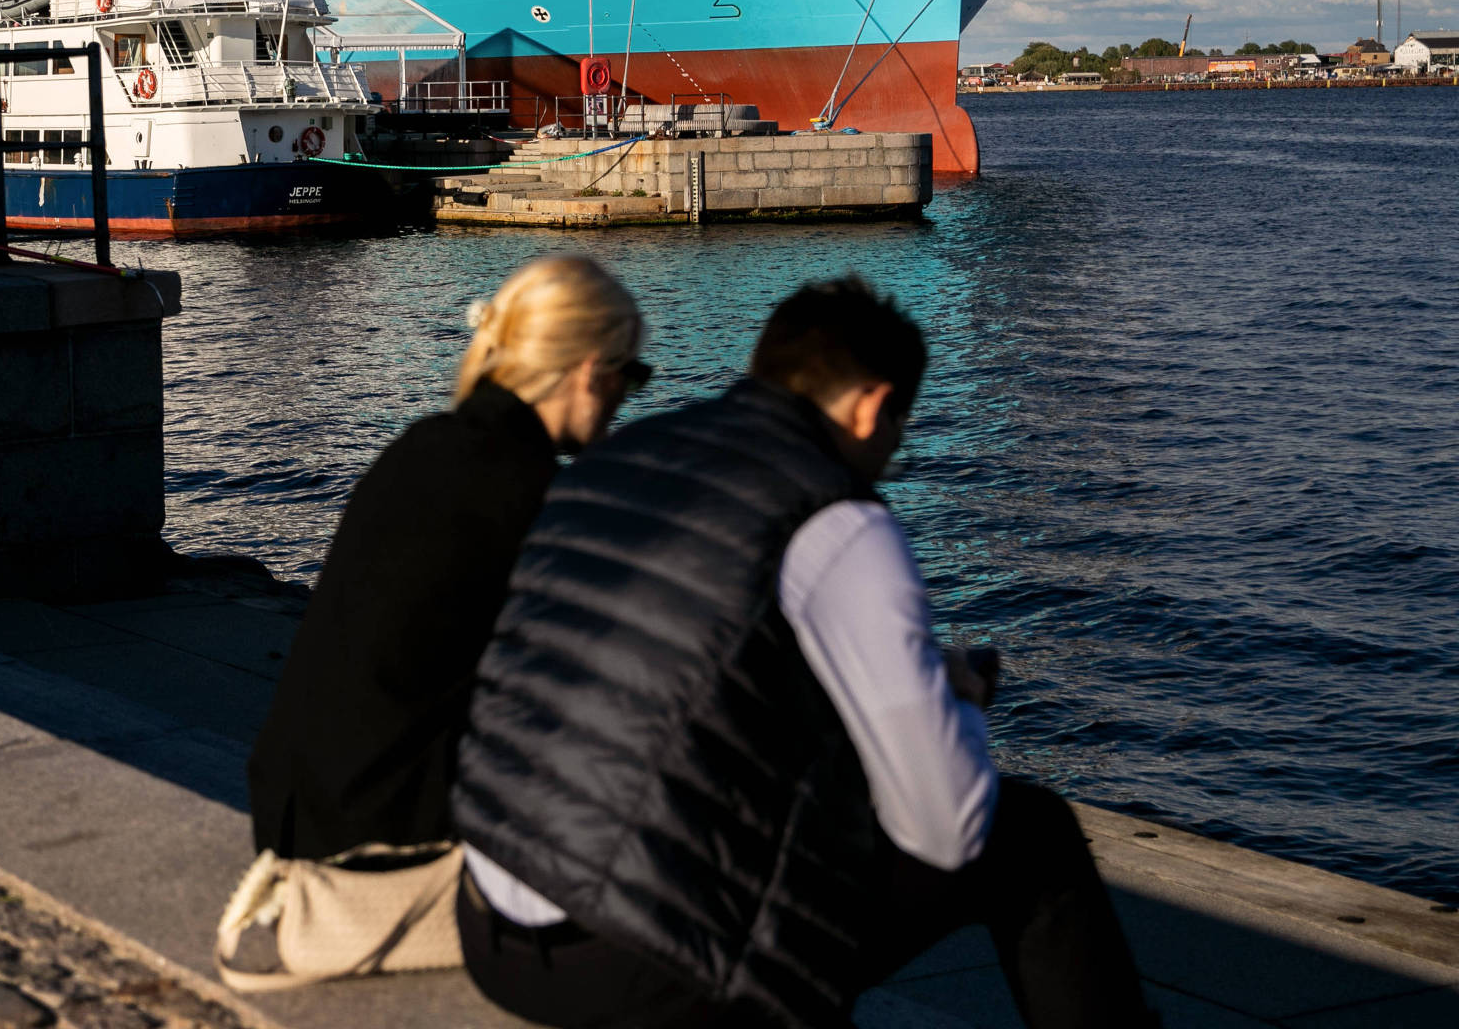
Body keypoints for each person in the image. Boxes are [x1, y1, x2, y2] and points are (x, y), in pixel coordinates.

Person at [451, 277, 1155, 1028]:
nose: (891, 451)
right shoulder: (836, 516)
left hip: (493, 923)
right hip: (637, 966)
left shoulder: (623, 455)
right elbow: (946, 828)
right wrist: (958, 705)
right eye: (899, 426)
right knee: (1029, 836)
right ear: (873, 406)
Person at [219, 255, 648, 992]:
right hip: (379, 838)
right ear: (587, 371)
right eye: (630, 377)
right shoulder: (529, 490)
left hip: (305, 816)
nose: (628, 398)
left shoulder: (426, 448)